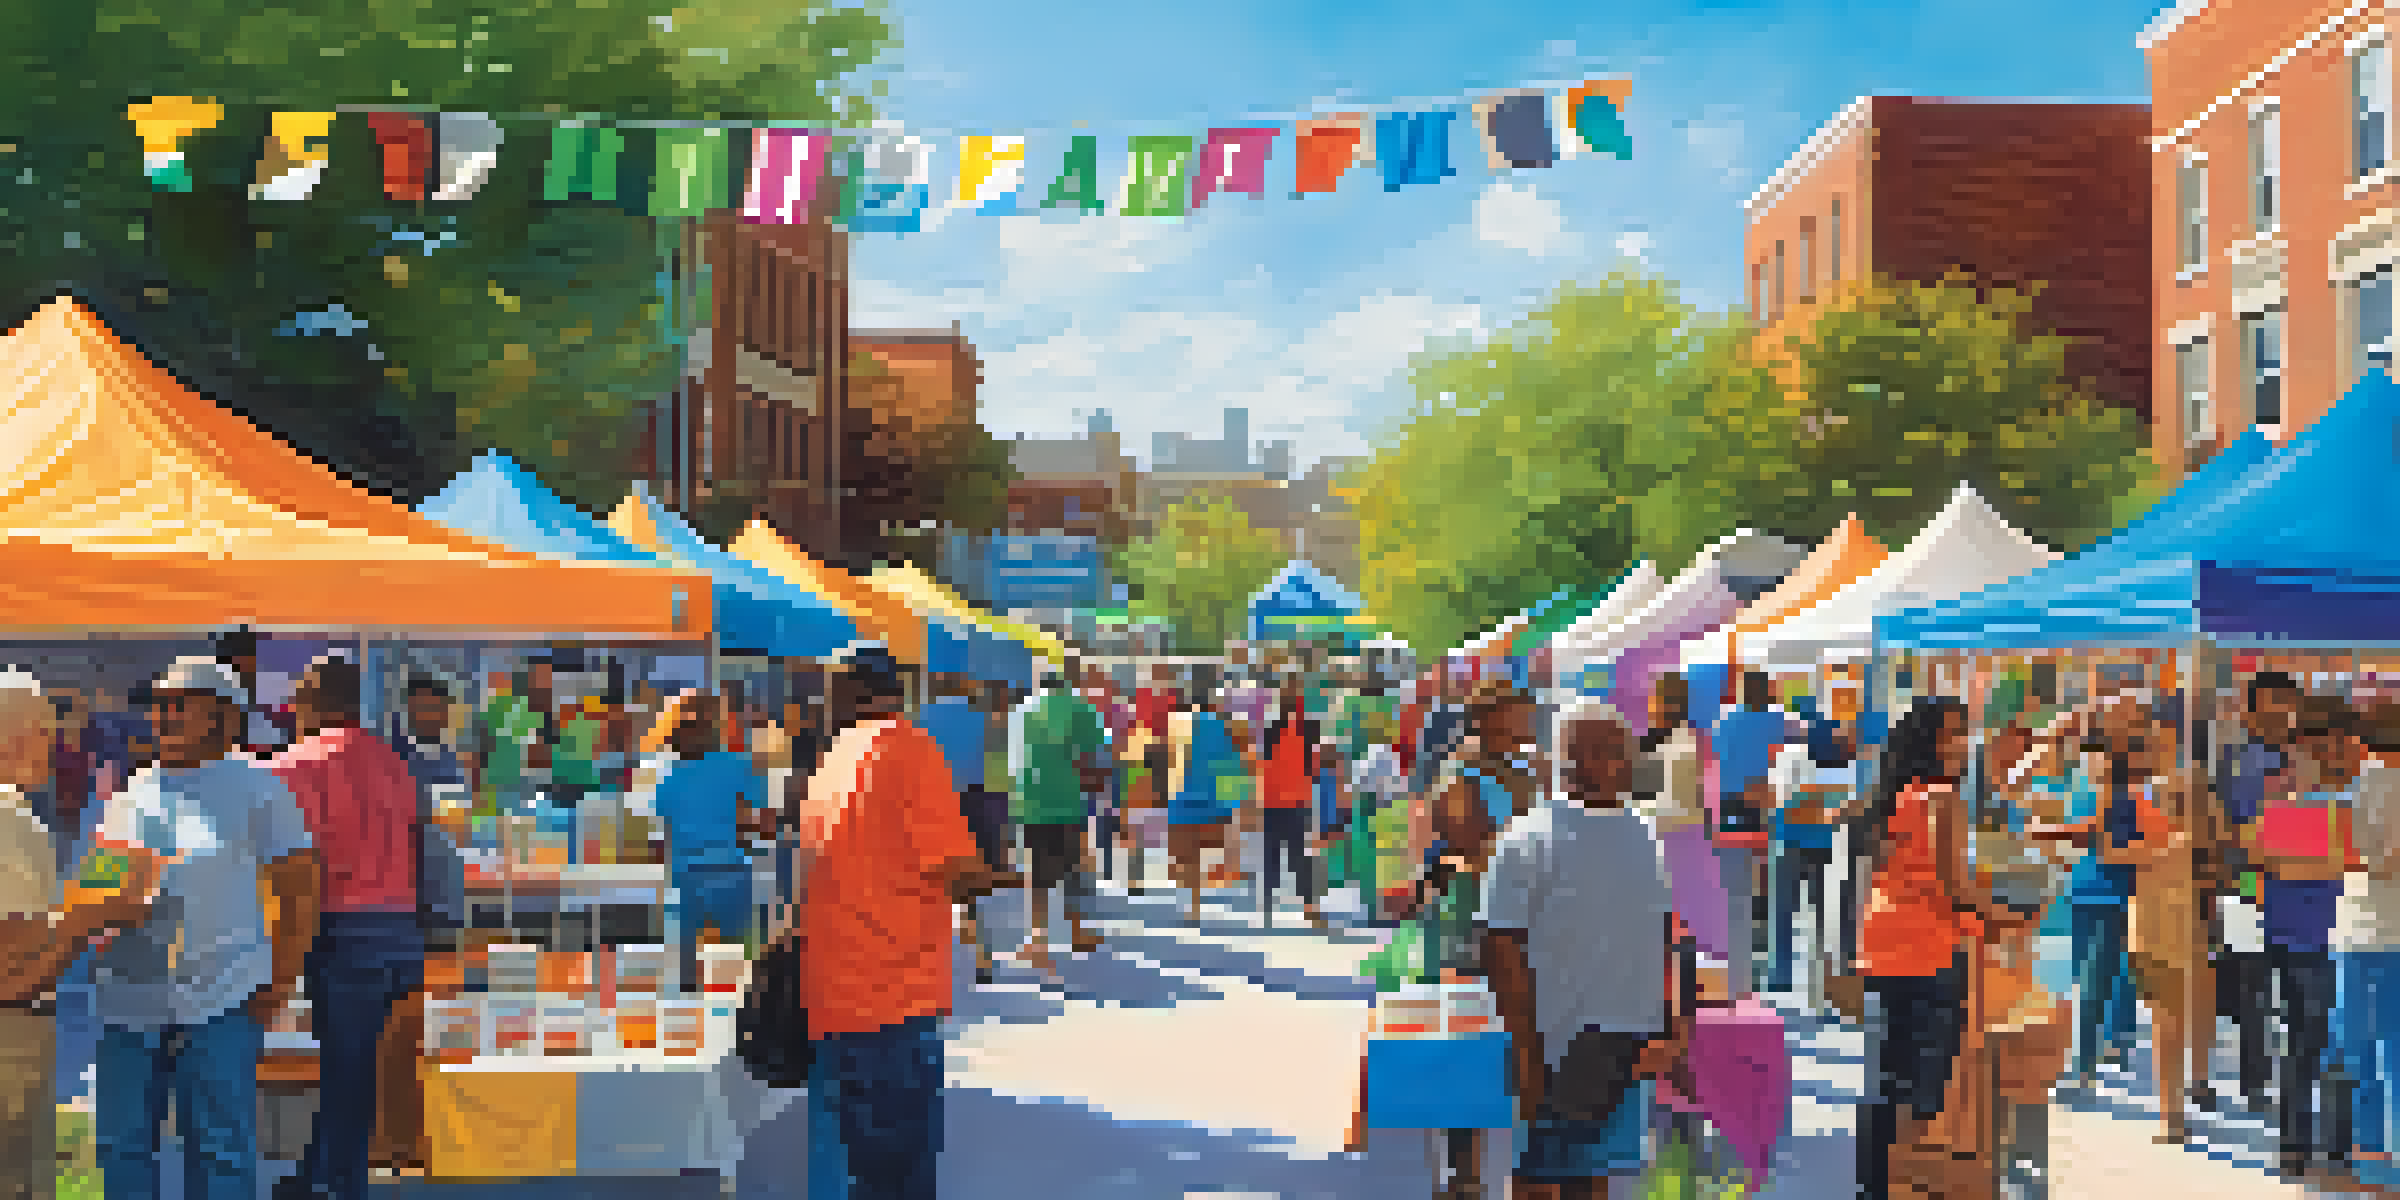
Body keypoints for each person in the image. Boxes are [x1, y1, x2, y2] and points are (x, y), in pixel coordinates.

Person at [90, 657, 318, 1200]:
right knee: (123, 1146)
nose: (164, 716)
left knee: (221, 1150)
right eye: (160, 706)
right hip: (129, 1000)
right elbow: (100, 885)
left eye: (180, 706)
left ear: (221, 719)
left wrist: (281, 982)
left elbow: (300, 891)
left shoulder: (259, 789)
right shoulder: (133, 789)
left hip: (223, 998)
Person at [795, 644, 1003, 1200]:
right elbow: (954, 866)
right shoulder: (906, 749)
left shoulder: (834, 756)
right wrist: (997, 877)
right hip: (890, 1000)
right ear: (894, 691)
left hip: (832, 999)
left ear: (849, 692)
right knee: (897, 1179)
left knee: (851, 1171)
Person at [1483, 699, 1687, 1200]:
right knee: (1538, 1182)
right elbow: (1500, 944)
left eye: (1611, 751)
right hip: (1556, 1048)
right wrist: (1526, 1052)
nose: (1598, 763)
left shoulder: (1643, 833)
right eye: (1584, 751)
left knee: (1594, 1179)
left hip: (1625, 1048)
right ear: (1558, 761)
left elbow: (1664, 931)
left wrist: (1677, 1023)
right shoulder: (1528, 838)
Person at [266, 657, 425, 1200]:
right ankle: (318, 1173)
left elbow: (284, 859)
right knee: (359, 1061)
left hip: (340, 924)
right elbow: (418, 835)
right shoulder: (392, 760)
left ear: (308, 703)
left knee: (347, 1063)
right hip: (402, 923)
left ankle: (342, 1185)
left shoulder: (294, 766)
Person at [0, 670, 163, 1200]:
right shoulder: (11, 818)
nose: (57, 751)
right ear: (12, 739)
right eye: (48, 734)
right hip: (13, 1036)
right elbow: (13, 972)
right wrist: (90, 916)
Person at [1852, 696, 2009, 1200]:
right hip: (1930, 948)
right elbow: (1952, 883)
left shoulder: (1894, 795)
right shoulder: (1943, 799)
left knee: (1886, 1073)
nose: (1964, 744)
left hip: (1882, 945)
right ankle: (1911, 1180)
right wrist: (1999, 915)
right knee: (1928, 1079)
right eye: (1954, 734)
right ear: (1930, 742)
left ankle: (1874, 1185)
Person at [2246, 695, 2360, 1179]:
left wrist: (2290, 863)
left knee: (2319, 1044)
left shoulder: (2341, 803)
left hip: (2323, 935)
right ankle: (2313, 1147)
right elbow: (2263, 857)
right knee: (2316, 1043)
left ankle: (2318, 1147)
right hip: (2308, 938)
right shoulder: (2305, 805)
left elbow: (2335, 861)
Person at [2116, 697, 2211, 1144]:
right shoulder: (2126, 794)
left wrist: (2190, 801)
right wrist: (2164, 846)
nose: (2147, 742)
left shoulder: (2190, 784)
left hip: (2191, 913)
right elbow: (2109, 849)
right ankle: (2170, 1112)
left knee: (2193, 1009)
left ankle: (2194, 1085)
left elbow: (2213, 839)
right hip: (2151, 916)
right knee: (2162, 1018)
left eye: (2154, 732)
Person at [2214, 670, 2304, 1114]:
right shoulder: (2232, 761)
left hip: (2301, 894)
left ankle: (2292, 1083)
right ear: (2251, 712)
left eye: (2286, 705)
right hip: (2244, 890)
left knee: (2296, 991)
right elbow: (2228, 829)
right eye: (2270, 705)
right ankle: (2256, 1082)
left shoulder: (2309, 760)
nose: (2279, 714)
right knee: (2252, 989)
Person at [646, 691, 768, 993]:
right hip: (732, 877)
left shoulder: (668, 779)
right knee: (740, 976)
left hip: (687, 884)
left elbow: (659, 842)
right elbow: (762, 823)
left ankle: (689, 1028)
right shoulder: (740, 767)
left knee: (687, 982)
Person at [1008, 666, 1108, 970]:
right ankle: (1078, 931)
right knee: (1074, 868)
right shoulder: (1080, 708)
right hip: (1068, 800)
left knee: (1036, 873)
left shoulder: (1021, 710)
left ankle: (1037, 939)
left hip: (1029, 801)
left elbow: (1013, 758)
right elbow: (1096, 753)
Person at [2337, 707, 2400, 1185]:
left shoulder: (2355, 792)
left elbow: (2350, 857)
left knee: (2361, 1049)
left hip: (2363, 934)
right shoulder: (2356, 790)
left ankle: (2372, 1160)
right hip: (2372, 932)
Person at [920, 674, 1006, 984]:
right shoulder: (980, 719)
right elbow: (996, 770)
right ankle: (982, 959)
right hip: (975, 803)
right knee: (966, 892)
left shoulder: (920, 717)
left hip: (933, 805)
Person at [1709, 672, 1791, 999]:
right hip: (1766, 805)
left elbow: (1715, 761)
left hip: (1730, 805)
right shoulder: (1782, 722)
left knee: (1735, 889)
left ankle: (1739, 969)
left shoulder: (1724, 721)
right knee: (1766, 881)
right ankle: (1761, 958)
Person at [1766, 705, 1849, 1000]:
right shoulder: (1839, 767)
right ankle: (1826, 983)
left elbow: (1779, 803)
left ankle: (1783, 977)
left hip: (1791, 844)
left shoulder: (1790, 759)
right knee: (1824, 919)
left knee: (1785, 914)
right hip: (1819, 846)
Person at [1166, 689, 1245, 926]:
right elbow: (1230, 767)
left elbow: (1168, 763)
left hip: (1182, 803)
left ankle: (1194, 904)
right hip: (1213, 805)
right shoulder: (1221, 728)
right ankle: (1195, 902)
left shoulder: (1176, 725)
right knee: (1203, 855)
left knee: (1188, 859)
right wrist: (1234, 806)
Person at [1257, 675, 1328, 930]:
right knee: (1287, 858)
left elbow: (1264, 767)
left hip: (1287, 801)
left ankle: (1279, 909)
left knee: (1283, 858)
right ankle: (1290, 910)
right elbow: (1313, 766)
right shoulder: (1303, 728)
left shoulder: (1282, 728)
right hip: (1288, 801)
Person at [212, 629, 293, 755]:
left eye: (244, 656)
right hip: (239, 754)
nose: (239, 662)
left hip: (276, 751)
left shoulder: (275, 682)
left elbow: (288, 722)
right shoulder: (222, 687)